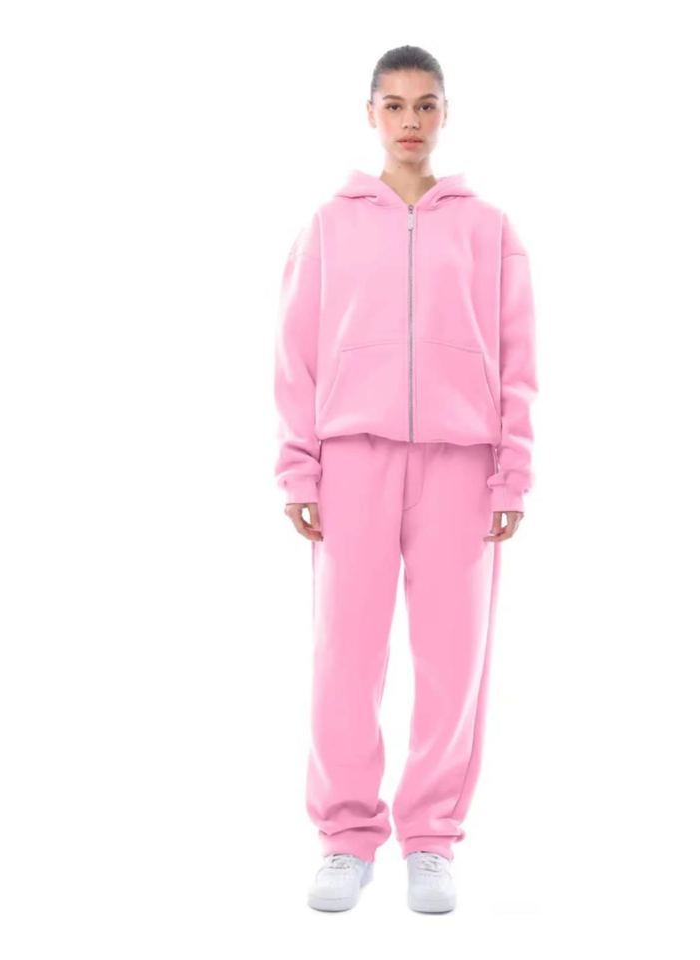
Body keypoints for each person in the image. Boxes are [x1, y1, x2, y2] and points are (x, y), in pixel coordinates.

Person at [273, 45, 538, 913]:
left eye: (426, 105)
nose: (411, 121)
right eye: (395, 105)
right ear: (372, 115)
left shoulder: (490, 229)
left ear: (446, 113)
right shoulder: (329, 225)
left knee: (453, 659)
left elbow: (518, 357)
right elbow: (296, 353)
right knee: (345, 657)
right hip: (352, 459)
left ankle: (431, 839)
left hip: (462, 463)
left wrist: (512, 469)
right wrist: (299, 466)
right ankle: (346, 839)